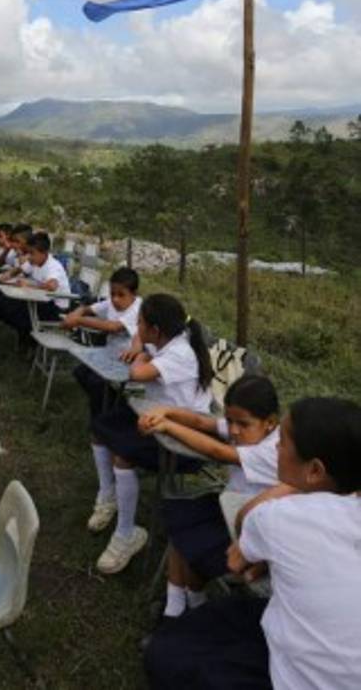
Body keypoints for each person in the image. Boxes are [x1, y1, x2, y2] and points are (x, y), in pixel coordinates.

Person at [144, 396, 361, 690]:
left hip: (293, 677)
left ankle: (178, 619)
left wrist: (289, 489)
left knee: (169, 655)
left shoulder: (282, 515)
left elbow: (239, 554)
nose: (275, 447)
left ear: (314, 471)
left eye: (282, 443)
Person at [88, 293, 213, 574]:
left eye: (141, 322)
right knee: (99, 429)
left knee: (123, 455)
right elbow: (139, 345)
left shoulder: (179, 353)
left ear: (156, 330)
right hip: (156, 415)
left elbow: (136, 374)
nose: (137, 327)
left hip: (181, 435)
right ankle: (107, 495)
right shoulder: (168, 339)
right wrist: (141, 349)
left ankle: (127, 534)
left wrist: (142, 355)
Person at [139, 375, 280, 619]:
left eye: (242, 424)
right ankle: (177, 604)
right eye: (230, 421)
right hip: (229, 508)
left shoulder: (272, 450)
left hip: (248, 529)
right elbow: (202, 422)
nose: (233, 430)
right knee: (181, 519)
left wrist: (169, 426)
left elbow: (218, 451)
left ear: (270, 422)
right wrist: (165, 412)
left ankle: (192, 605)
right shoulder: (252, 428)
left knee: (192, 548)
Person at [61, 267, 141, 418]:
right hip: (109, 353)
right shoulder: (112, 302)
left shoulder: (137, 309)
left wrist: (77, 320)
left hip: (128, 360)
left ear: (134, 294)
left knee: (96, 382)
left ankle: (103, 416)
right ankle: (107, 405)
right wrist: (77, 312)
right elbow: (88, 309)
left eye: (121, 295)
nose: (115, 299)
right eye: (112, 294)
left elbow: (114, 327)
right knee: (80, 373)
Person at [0, 230, 71, 339]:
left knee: (15, 310)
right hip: (39, 301)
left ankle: (27, 339)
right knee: (0, 304)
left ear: (44, 252)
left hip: (56, 308)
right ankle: (22, 335)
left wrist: (29, 286)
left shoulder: (53, 266)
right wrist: (8, 275)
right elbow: (20, 269)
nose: (29, 257)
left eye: (32, 253)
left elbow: (52, 286)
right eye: (28, 253)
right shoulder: (35, 261)